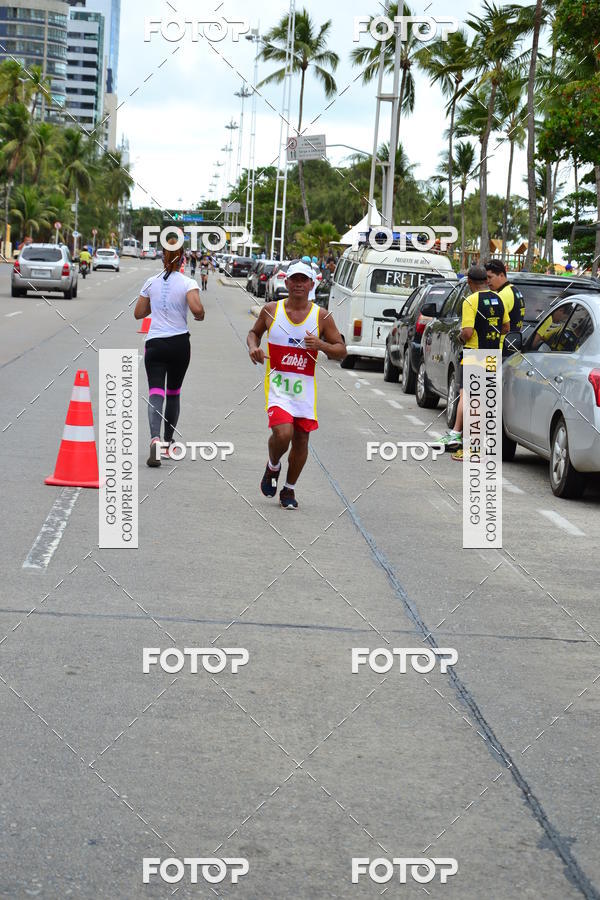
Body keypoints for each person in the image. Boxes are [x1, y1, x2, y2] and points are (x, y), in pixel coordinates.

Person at [247, 260, 347, 509]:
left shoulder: (322, 316)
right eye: (295, 279)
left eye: (304, 280)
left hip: (304, 392)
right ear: (287, 281)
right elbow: (253, 333)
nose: (299, 284)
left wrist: (321, 345)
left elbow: (341, 351)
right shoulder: (271, 310)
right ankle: (273, 466)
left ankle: (289, 489)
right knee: (283, 434)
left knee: (301, 441)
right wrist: (253, 348)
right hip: (278, 388)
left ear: (312, 284)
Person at [134, 239, 205, 467]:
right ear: (183, 257)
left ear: (162, 257)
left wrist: (156, 303)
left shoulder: (151, 282)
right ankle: (167, 442)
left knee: (156, 392)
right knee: (173, 393)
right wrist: (199, 314)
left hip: (155, 344)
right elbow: (197, 310)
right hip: (179, 344)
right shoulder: (188, 283)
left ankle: (154, 439)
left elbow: (138, 313)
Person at [438, 265, 510, 461]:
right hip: (492, 355)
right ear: (486, 281)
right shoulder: (498, 299)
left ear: (469, 282)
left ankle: (472, 448)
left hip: (474, 355)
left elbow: (468, 332)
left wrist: (461, 338)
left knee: (471, 402)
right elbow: (506, 327)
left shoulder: (470, 301)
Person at [484, 259, 525, 353]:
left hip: (500, 349)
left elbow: (495, 325)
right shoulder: (514, 290)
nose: (487, 281)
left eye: (490, 277)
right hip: (513, 347)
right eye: (486, 278)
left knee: (471, 362)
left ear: (501, 275)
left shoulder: (502, 295)